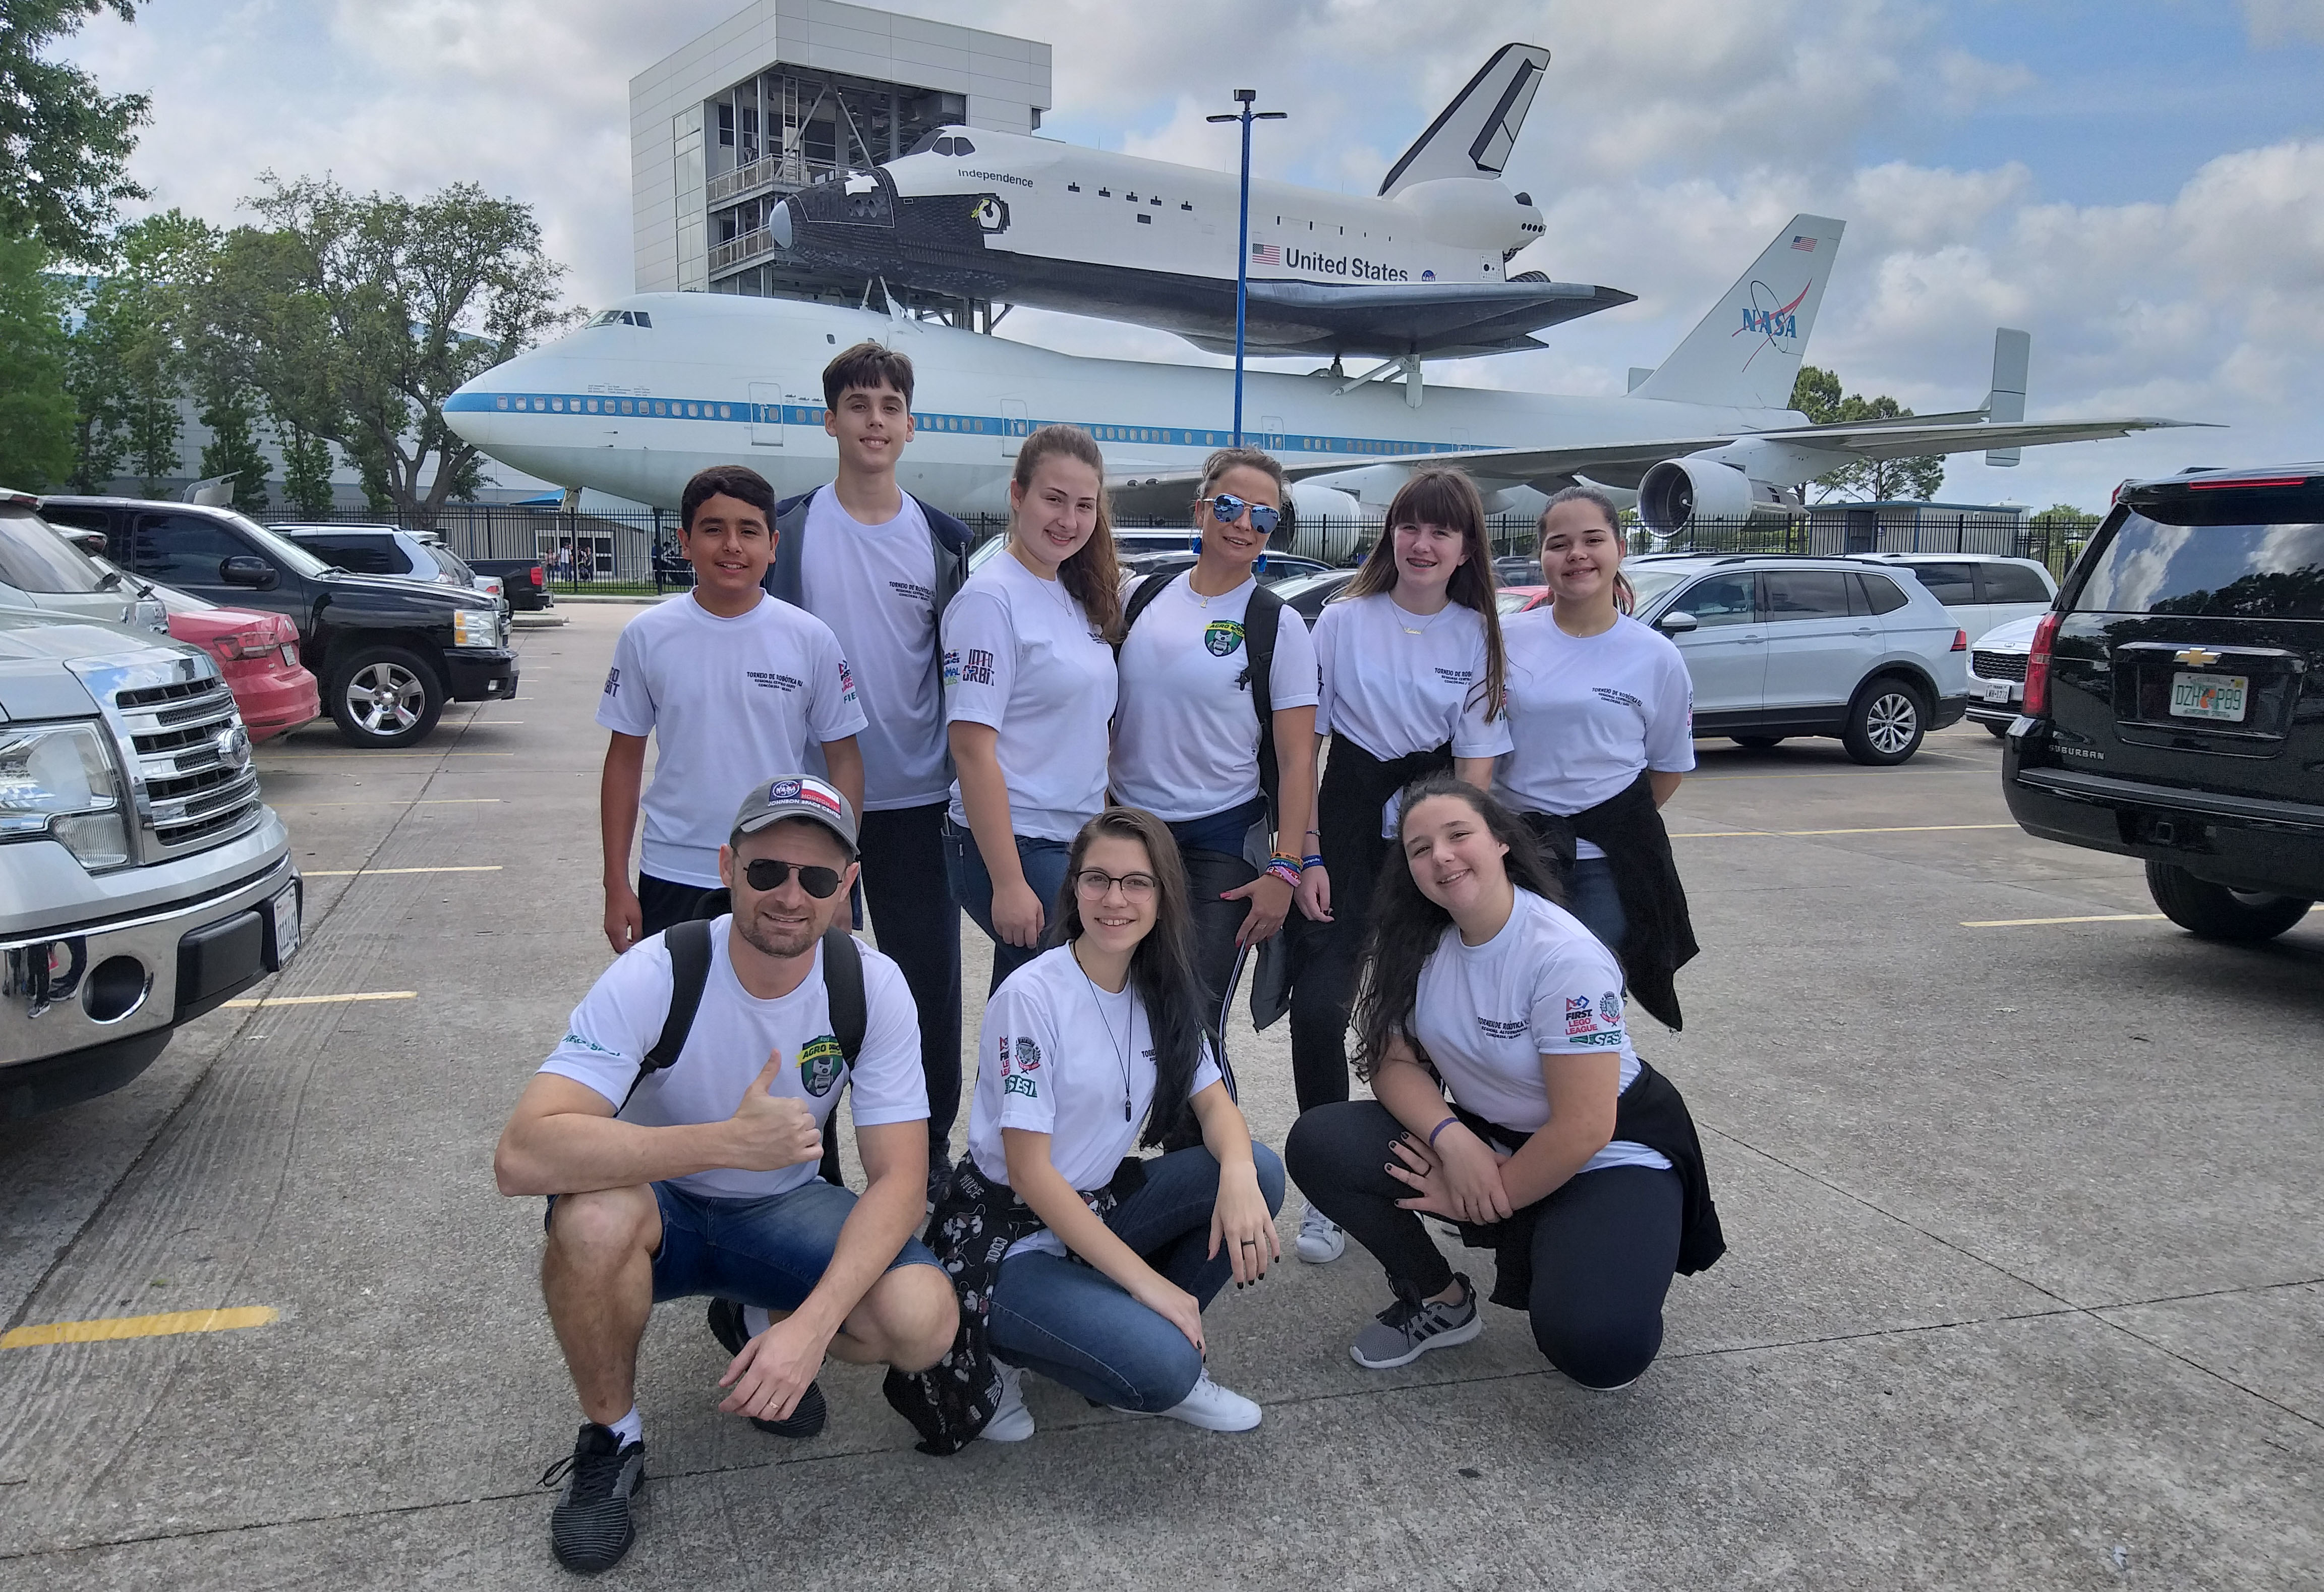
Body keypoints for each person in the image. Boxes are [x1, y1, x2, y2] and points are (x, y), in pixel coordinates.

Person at [496, 776, 959, 1574]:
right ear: (726, 868)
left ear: (847, 886)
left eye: (818, 877)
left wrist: (810, 1332)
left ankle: (758, 1319)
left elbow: (901, 1181)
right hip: (660, 1210)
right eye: (767, 870)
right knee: (591, 1221)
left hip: (781, 1210)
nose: (791, 896)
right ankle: (613, 1438)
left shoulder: (869, 984)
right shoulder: (659, 970)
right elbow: (523, 1155)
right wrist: (722, 1145)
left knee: (924, 1322)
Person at [1284, 777, 1722, 1392]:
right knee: (1321, 1142)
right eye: (1419, 848)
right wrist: (1454, 1142)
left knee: (1599, 1347)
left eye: (1458, 835)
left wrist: (1492, 1194)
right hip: (1492, 1137)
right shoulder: (1416, 940)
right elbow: (1392, 1064)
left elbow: (1585, 1126)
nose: (1441, 856)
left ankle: (1604, 1239)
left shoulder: (1564, 955)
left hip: (1608, 1151)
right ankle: (1439, 1299)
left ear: (1501, 842)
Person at [894, 807, 1286, 1451]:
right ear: (1073, 888)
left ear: (1163, 896)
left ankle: (1120, 1338)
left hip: (1094, 1207)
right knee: (1166, 1370)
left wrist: (1239, 1174)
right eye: (1097, 879)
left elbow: (1217, 1107)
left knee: (1259, 1171)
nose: (1115, 899)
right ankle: (1004, 1346)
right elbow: (1030, 1172)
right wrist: (1147, 1283)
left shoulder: (1161, 987)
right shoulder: (1032, 998)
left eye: (1137, 883)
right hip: (1007, 1236)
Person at [762, 341, 975, 1198]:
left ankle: (927, 1159)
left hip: (918, 803)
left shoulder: (941, 540)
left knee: (925, 995)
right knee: (805, 990)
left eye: (890, 406)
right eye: (858, 405)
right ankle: (811, 1168)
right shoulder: (789, 531)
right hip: (813, 808)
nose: (874, 421)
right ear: (831, 421)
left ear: (909, 425)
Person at [1287, 468, 1511, 1263]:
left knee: (1423, 1018)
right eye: (1410, 526)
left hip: (1432, 834)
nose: (1422, 544)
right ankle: (1324, 1186)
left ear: (1465, 549)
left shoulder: (1479, 634)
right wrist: (1308, 853)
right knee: (1319, 1008)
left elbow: (1477, 769)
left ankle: (1424, 1167)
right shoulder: (1341, 621)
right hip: (1345, 830)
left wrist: (1460, 866)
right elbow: (1303, 749)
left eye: (1441, 531)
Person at [599, 464, 867, 952]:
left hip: (778, 873)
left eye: (748, 531)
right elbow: (623, 760)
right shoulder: (647, 635)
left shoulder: (811, 639)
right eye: (713, 529)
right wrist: (615, 883)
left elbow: (845, 759)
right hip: (673, 868)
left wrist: (839, 880)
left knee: (779, 999)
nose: (732, 546)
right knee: (679, 999)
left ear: (773, 545)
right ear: (684, 542)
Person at [1110, 445, 1319, 1052]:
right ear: (1201, 509)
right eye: (1229, 506)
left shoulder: (1278, 625)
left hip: (1220, 840)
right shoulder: (1137, 598)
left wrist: (1286, 869)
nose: (1244, 523)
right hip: (1129, 830)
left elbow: (1298, 761)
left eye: (1264, 515)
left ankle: (1206, 1122)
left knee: (1193, 1026)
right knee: (1116, 1010)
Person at [1498, 485, 1701, 1028]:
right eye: (1559, 544)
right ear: (1542, 556)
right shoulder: (1505, 640)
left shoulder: (1656, 657)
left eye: (1592, 540)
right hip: (1514, 856)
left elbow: (1668, 767)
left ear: (1620, 548)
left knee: (1586, 1006)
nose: (1577, 555)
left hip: (1604, 865)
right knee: (1507, 998)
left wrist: (1604, 820)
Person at [941, 423, 1121, 994]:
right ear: (1017, 495)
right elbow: (971, 749)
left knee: (1029, 1010)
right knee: (1078, 990)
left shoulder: (1073, 595)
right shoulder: (990, 601)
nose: (1069, 520)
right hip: (1016, 841)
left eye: (1084, 505)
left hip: (1074, 839)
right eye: (1054, 499)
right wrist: (1008, 883)